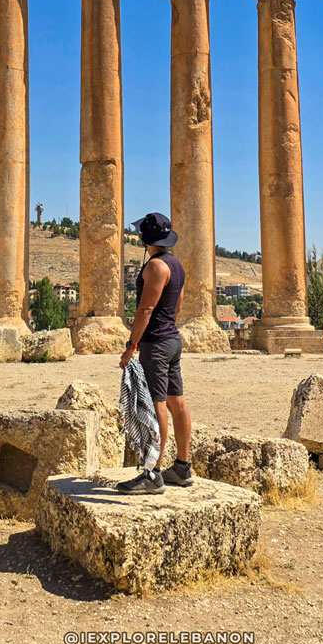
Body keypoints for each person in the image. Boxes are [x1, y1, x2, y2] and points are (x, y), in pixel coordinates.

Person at [116, 212, 193, 495]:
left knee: (156, 404)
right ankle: (183, 466)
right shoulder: (177, 266)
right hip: (172, 338)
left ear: (146, 239)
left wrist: (131, 345)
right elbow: (178, 304)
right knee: (177, 401)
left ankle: (152, 473)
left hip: (156, 344)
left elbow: (145, 310)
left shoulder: (155, 267)